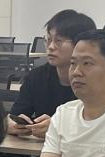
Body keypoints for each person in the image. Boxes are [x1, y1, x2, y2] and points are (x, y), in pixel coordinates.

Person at [9, 10, 96, 138]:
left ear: (81, 44)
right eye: (48, 39)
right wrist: (11, 124)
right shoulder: (36, 77)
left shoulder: (94, 80)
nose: (50, 46)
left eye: (59, 41)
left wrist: (58, 127)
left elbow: (96, 125)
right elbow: (16, 114)